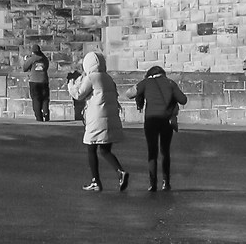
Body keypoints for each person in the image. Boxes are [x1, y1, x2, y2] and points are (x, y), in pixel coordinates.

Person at [67, 51, 127, 193]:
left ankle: (96, 181)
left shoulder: (92, 77)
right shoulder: (108, 78)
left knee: (91, 147)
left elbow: (79, 94)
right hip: (110, 117)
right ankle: (120, 171)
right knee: (105, 150)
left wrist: (71, 84)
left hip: (96, 117)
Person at [133, 64, 185, 191]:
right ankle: (166, 182)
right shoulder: (170, 83)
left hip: (151, 120)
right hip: (166, 121)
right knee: (165, 152)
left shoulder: (146, 83)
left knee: (152, 151)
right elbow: (183, 99)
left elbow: (129, 94)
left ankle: (152, 183)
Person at [22, 43, 51, 123]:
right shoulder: (44, 58)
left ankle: (39, 117)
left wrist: (26, 61)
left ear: (33, 52)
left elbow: (24, 68)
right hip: (44, 80)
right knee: (45, 98)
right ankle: (45, 112)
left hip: (34, 81)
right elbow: (47, 67)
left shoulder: (32, 59)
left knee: (36, 99)